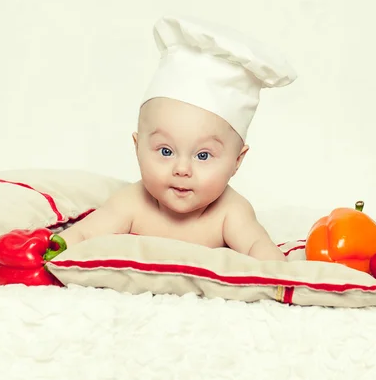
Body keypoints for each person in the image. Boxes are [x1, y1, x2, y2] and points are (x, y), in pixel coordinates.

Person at [58, 15, 297, 261]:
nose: (182, 169)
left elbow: (263, 253)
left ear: (237, 160)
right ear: (137, 146)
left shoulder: (230, 213)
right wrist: (46, 250)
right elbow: (84, 235)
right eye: (165, 151)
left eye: (203, 155)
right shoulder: (131, 203)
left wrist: (281, 274)